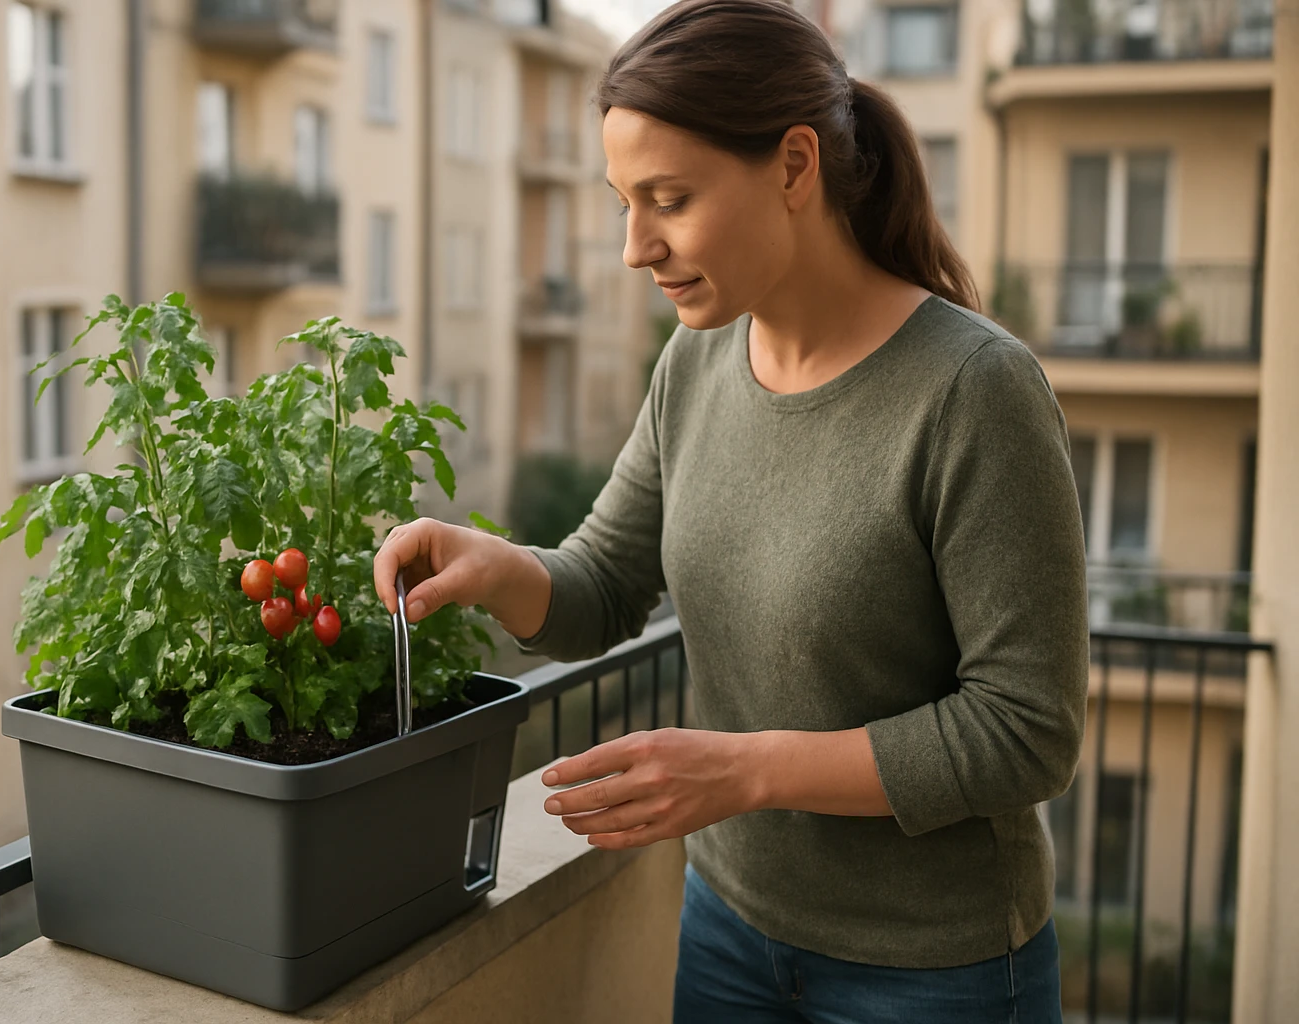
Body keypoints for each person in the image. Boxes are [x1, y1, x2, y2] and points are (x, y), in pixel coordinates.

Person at [373, 1, 1088, 1019]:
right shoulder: (697, 360)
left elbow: (1027, 731)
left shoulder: (975, 391)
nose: (636, 247)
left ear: (795, 166)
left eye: (668, 199)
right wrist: (496, 564)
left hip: (935, 972)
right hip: (729, 932)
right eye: (624, 202)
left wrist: (747, 771)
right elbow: (605, 584)